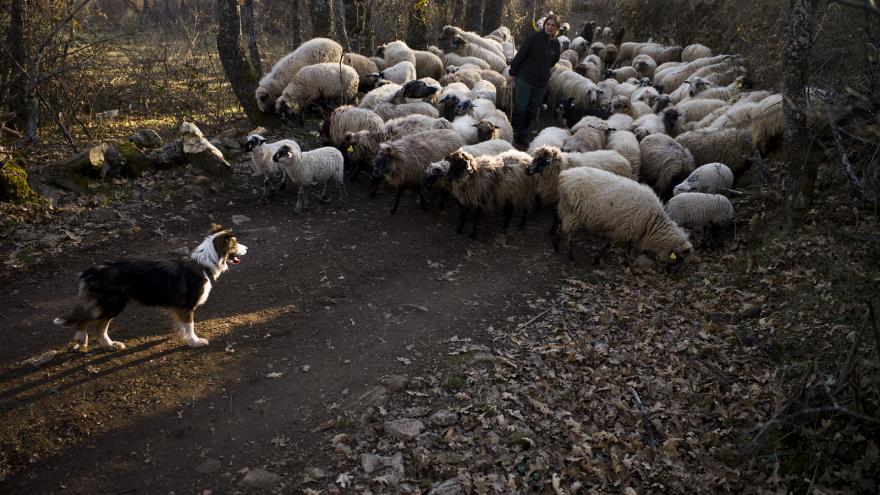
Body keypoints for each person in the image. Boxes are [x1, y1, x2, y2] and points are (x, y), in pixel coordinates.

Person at [506, 13, 562, 147]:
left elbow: (554, 60)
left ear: (557, 28)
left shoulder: (556, 44)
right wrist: (512, 73)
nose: (549, 27)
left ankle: (523, 134)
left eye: (553, 25)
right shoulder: (534, 37)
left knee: (532, 110)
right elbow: (520, 54)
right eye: (547, 24)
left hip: (541, 82)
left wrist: (543, 71)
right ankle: (513, 132)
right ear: (544, 25)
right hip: (525, 78)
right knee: (521, 107)